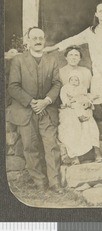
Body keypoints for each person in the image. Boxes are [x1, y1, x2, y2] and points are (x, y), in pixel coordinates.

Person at [44, 2, 102, 142]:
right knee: (100, 102)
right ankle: (96, 132)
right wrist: (54, 48)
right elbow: (73, 39)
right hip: (100, 71)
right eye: (100, 11)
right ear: (96, 14)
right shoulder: (90, 31)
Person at [7, 27, 63, 193]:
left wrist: (46, 101)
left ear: (44, 40)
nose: (38, 41)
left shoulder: (51, 60)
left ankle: (55, 183)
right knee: (30, 146)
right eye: (34, 38)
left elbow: (57, 84)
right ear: (28, 41)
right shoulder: (18, 60)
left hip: (47, 110)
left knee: (51, 146)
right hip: (26, 110)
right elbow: (13, 87)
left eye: (40, 38)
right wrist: (32, 102)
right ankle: (39, 181)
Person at [58, 71, 102, 165]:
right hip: (69, 110)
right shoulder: (65, 88)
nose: (74, 81)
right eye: (72, 79)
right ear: (69, 80)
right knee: (71, 126)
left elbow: (85, 98)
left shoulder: (82, 88)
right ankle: (74, 155)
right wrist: (69, 102)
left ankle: (97, 152)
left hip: (81, 109)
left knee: (89, 122)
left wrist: (86, 103)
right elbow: (65, 100)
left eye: (76, 80)